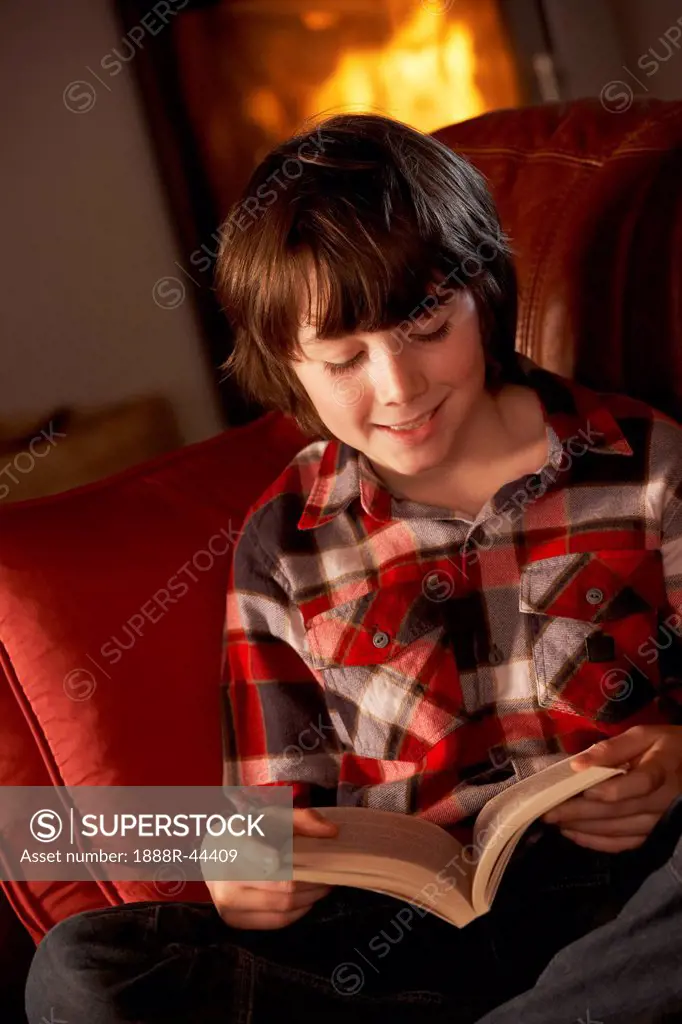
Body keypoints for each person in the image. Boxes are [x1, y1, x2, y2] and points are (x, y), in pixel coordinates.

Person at [25, 112, 682, 1023]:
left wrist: (678, 761)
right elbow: (275, 818)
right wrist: (248, 872)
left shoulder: (647, 463)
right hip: (411, 953)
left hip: (629, 903)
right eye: (344, 358)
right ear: (290, 370)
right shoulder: (284, 542)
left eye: (426, 325)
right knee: (83, 966)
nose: (399, 388)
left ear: (483, 294)